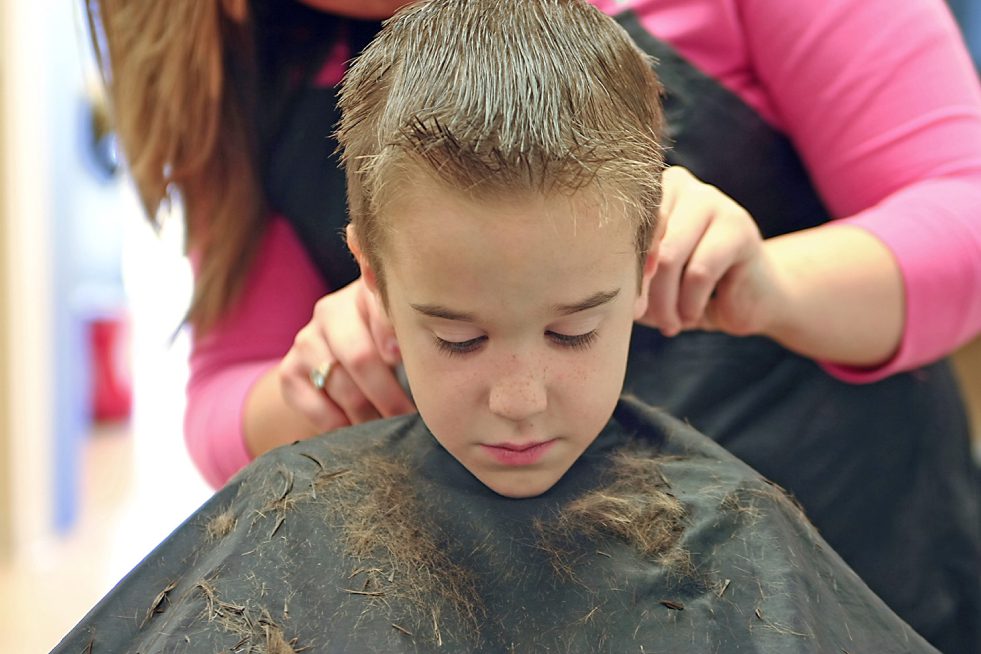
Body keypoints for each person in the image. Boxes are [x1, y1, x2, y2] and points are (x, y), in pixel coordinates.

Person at [86, 0, 981, 651]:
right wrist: (312, 383)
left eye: (574, 330)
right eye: (459, 336)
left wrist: (773, 285)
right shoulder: (250, 59)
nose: (519, 401)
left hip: (841, 544)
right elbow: (222, 393)